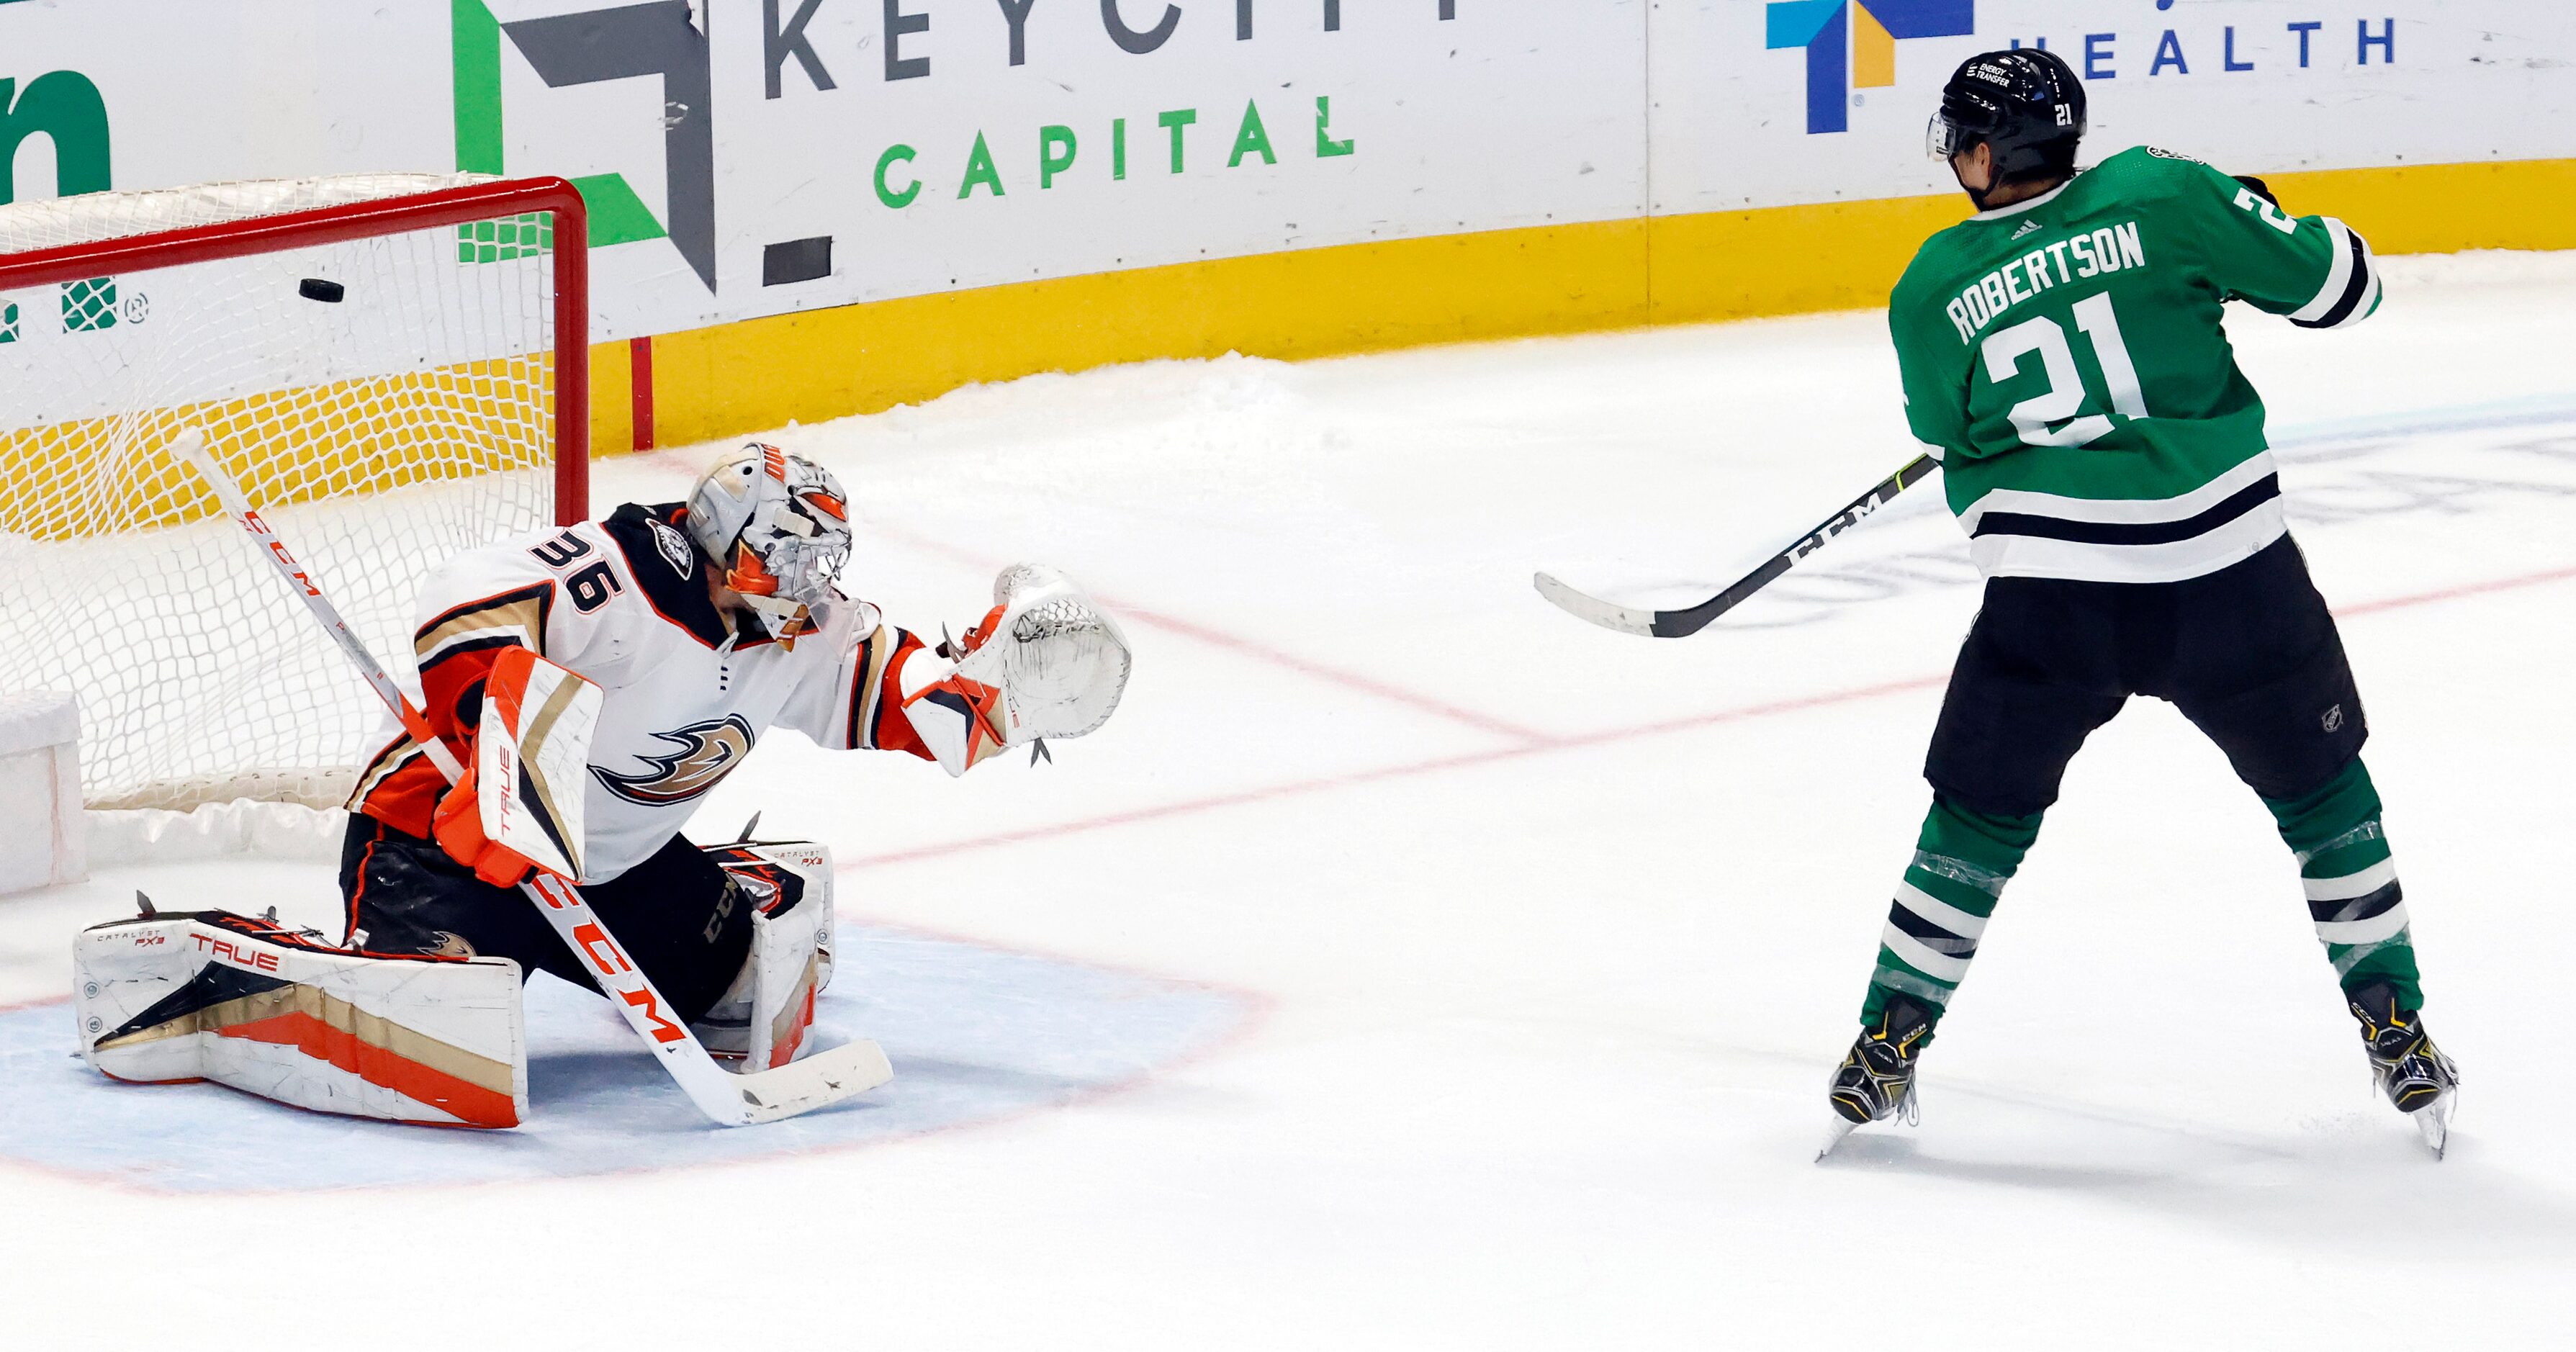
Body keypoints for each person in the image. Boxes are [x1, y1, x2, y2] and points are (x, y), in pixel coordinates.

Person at [74, 442, 1128, 1127]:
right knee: (445, 1044)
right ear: (725, 547)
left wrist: (995, 697)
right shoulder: (611, 576)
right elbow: (460, 608)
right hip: (441, 843)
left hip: (611, 866)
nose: (808, 593)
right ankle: (214, 967)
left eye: (822, 567)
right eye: (786, 566)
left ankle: (738, 881)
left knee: (738, 996)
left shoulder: (806, 631)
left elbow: (906, 697)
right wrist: (501, 768)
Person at [1824, 49, 2458, 1154]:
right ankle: (2393, 1026)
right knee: (2322, 798)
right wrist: (2253, 217)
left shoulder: (1930, 284)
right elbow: (2342, 287)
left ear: (1983, 153)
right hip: (2229, 574)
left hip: (2052, 598)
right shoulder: (2163, 193)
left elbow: (1950, 431)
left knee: (1975, 815)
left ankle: (1886, 1044)